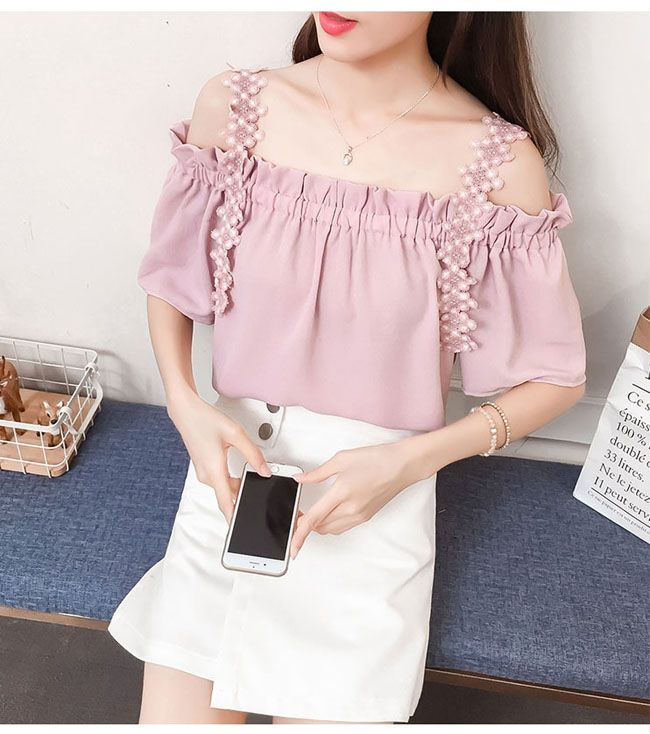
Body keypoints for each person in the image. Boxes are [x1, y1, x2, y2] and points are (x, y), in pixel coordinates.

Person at [107, 11, 587, 725]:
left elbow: (556, 379)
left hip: (370, 517)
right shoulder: (235, 106)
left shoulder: (497, 163)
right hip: (228, 493)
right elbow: (171, 277)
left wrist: (410, 462)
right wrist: (183, 401)